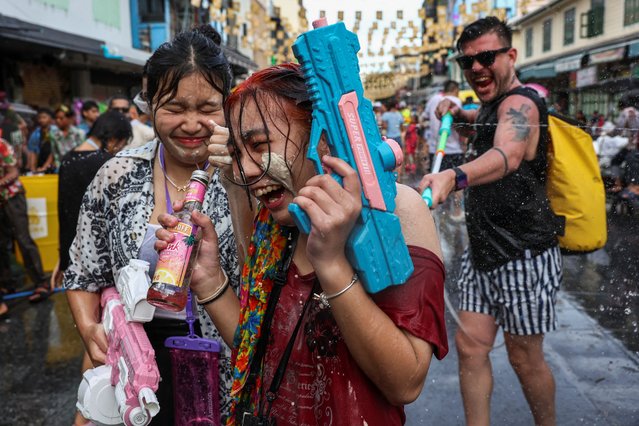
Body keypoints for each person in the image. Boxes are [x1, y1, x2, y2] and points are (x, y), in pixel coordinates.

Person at [156, 63, 448, 425]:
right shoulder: (274, 219)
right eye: (237, 153)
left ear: (321, 139)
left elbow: (405, 383)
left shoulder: (395, 209)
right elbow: (261, 349)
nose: (246, 169)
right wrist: (210, 281)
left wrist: (331, 264)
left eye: (259, 145)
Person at [62, 25, 241, 424]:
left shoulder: (249, 178)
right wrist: (88, 328)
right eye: (175, 108)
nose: (192, 124)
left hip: (227, 360)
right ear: (150, 104)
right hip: (136, 363)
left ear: (228, 104)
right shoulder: (118, 174)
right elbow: (83, 272)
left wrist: (240, 178)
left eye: (208, 108)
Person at [418, 17, 562, 426]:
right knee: (470, 345)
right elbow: (486, 123)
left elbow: (508, 154)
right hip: (483, 251)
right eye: (468, 62)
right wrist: (458, 111)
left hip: (524, 253)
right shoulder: (493, 105)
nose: (476, 67)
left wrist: (453, 175)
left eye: (486, 57)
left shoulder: (523, 104)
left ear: (510, 56)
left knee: (524, 356)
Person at [54, 110, 132, 426]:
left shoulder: (68, 159)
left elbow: (63, 212)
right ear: (112, 139)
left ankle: (85, 410)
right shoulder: (106, 165)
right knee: (100, 337)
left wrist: (64, 258)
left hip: (75, 257)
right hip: (99, 262)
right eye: (121, 143)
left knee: (93, 334)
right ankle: (87, 412)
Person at [0, 130, 49, 305]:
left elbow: (13, 172)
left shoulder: (2, 145)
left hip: (12, 197)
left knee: (23, 240)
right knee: (2, 245)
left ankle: (41, 283)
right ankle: (7, 284)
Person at [423, 80, 465, 220]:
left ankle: (438, 212)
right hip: (454, 150)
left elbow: (425, 119)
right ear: (455, 90)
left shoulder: (433, 100)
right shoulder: (455, 101)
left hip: (435, 150)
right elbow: (461, 128)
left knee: (435, 181)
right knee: (459, 180)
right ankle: (457, 211)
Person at [50, 104, 85, 170]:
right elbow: (55, 154)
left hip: (77, 167)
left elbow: (83, 154)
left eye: (61, 118)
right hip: (61, 168)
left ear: (70, 118)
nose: (58, 120)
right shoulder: (54, 134)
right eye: (56, 118)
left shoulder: (79, 133)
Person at [26, 108, 57, 173]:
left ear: (50, 119)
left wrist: (45, 167)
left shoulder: (56, 131)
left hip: (54, 165)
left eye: (44, 117)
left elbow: (54, 152)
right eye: (39, 118)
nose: (41, 120)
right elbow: (33, 152)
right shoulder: (35, 133)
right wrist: (33, 169)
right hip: (40, 164)